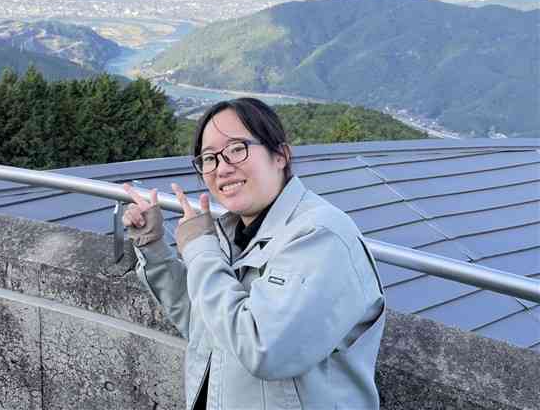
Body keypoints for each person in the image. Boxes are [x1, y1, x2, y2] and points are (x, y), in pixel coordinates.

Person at [122, 98, 385, 410]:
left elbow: (264, 348)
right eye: (209, 158)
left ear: (280, 155)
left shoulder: (320, 235)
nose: (222, 168)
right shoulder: (231, 231)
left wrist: (199, 248)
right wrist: (154, 246)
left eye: (236, 149)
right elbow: (203, 322)